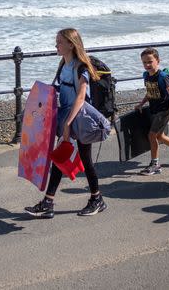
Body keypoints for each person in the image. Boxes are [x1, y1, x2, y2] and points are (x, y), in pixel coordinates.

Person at [24, 28, 107, 219]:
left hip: (80, 120)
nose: (56, 45)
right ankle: (48, 202)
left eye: (59, 42)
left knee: (86, 160)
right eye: (56, 41)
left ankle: (97, 199)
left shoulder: (81, 67)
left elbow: (81, 97)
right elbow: (59, 90)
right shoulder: (63, 64)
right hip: (66, 117)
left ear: (71, 44)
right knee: (60, 158)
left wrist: (68, 124)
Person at [134, 48, 169, 175]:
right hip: (155, 109)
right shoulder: (146, 75)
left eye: (150, 62)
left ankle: (155, 164)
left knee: (152, 135)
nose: (147, 65)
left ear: (158, 61)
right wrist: (141, 104)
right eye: (144, 62)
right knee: (160, 136)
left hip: (164, 110)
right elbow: (150, 92)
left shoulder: (163, 77)